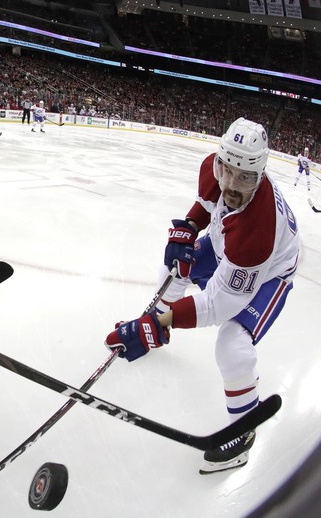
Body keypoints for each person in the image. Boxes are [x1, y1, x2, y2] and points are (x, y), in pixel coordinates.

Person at [104, 117, 300, 475]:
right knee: (172, 271)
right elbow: (206, 206)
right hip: (228, 240)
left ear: (260, 175)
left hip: (271, 269)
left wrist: (160, 321)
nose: (231, 185)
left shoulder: (258, 231)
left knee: (233, 345)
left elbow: (217, 305)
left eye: (245, 178)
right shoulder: (215, 168)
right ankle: (152, 333)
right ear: (220, 161)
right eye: (227, 171)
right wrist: (188, 229)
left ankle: (242, 432)